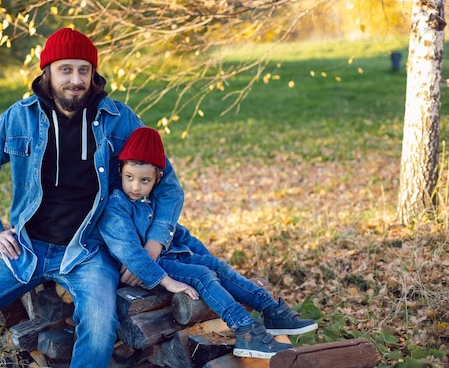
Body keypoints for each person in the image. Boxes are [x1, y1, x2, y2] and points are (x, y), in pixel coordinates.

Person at [0, 28, 186, 368]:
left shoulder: (120, 120)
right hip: (25, 245)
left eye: (83, 70)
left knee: (99, 331)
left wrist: (153, 245)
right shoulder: (19, 117)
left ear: (93, 74)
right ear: (48, 72)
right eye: (65, 69)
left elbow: (168, 186)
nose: (75, 79)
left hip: (89, 250)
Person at [96, 127, 318, 360]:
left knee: (216, 267)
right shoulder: (117, 206)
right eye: (129, 177)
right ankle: (245, 331)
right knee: (202, 275)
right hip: (156, 269)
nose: (135, 186)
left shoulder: (150, 200)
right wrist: (168, 282)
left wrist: (209, 257)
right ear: (120, 170)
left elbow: (181, 235)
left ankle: (271, 309)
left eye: (144, 180)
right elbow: (129, 251)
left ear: (157, 179)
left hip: (173, 256)